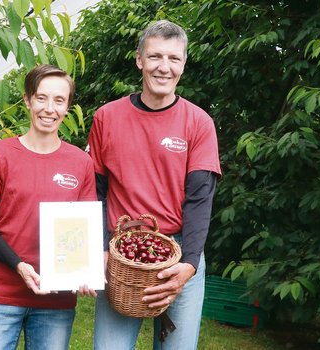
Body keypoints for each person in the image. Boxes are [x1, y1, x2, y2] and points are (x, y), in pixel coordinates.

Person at [87, 20, 222, 349]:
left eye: (174, 59)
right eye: (155, 56)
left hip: (180, 253)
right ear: (139, 59)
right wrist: (102, 247)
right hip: (122, 253)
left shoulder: (199, 123)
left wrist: (188, 265)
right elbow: (95, 192)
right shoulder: (107, 117)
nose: (164, 67)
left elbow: (200, 200)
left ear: (184, 64)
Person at [0, 64, 98, 350]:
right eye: (41, 98)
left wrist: (86, 271)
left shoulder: (80, 162)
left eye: (59, 100)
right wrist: (19, 266)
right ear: (27, 100)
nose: (49, 108)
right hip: (1, 295)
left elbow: (83, 227)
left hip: (56, 302)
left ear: (67, 107)